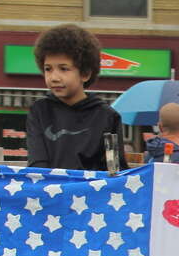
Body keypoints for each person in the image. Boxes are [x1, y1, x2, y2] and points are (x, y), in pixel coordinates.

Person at [25, 24, 124, 171]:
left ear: (85, 74)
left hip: (91, 192)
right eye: (48, 69)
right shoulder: (39, 111)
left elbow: (114, 169)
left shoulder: (107, 116)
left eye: (64, 69)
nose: (54, 77)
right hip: (47, 189)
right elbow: (37, 163)